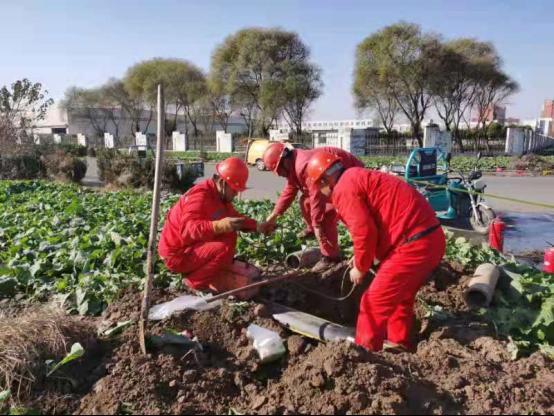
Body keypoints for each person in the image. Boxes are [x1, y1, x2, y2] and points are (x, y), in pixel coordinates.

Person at [306, 151, 446, 352]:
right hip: (429, 239)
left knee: (372, 303)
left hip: (414, 245)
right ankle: (400, 344)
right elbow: (376, 223)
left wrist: (361, 268)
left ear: (324, 180)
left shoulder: (343, 189)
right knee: (400, 298)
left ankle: (366, 357)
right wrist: (364, 255)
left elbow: (364, 230)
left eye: (318, 186)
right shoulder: (356, 176)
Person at [158, 157, 273, 298]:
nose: (237, 194)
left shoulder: (219, 196)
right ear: (223, 183)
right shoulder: (199, 196)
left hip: (189, 248)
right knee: (223, 248)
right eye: (235, 189)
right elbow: (188, 230)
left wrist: (257, 226)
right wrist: (217, 226)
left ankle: (210, 269)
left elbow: (236, 219)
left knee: (229, 234)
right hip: (176, 255)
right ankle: (194, 282)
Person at [261, 142, 364, 272]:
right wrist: (273, 216)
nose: (280, 175)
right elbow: (290, 189)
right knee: (305, 201)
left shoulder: (303, 165)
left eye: (278, 170)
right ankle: (313, 231)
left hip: (348, 174)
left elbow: (317, 196)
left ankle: (331, 258)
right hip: (333, 177)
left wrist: (317, 225)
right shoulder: (293, 164)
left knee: (325, 214)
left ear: (284, 161)